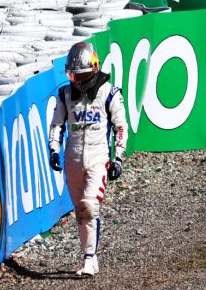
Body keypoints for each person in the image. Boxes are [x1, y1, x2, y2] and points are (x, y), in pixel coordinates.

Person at [48, 41, 128, 277]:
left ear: (94, 68)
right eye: (74, 75)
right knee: (79, 211)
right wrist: (54, 150)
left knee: (89, 206)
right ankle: (87, 257)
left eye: (82, 74)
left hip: (98, 157)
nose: (78, 80)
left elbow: (121, 126)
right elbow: (56, 125)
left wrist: (119, 158)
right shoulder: (64, 94)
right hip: (71, 160)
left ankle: (91, 259)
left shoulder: (110, 93)